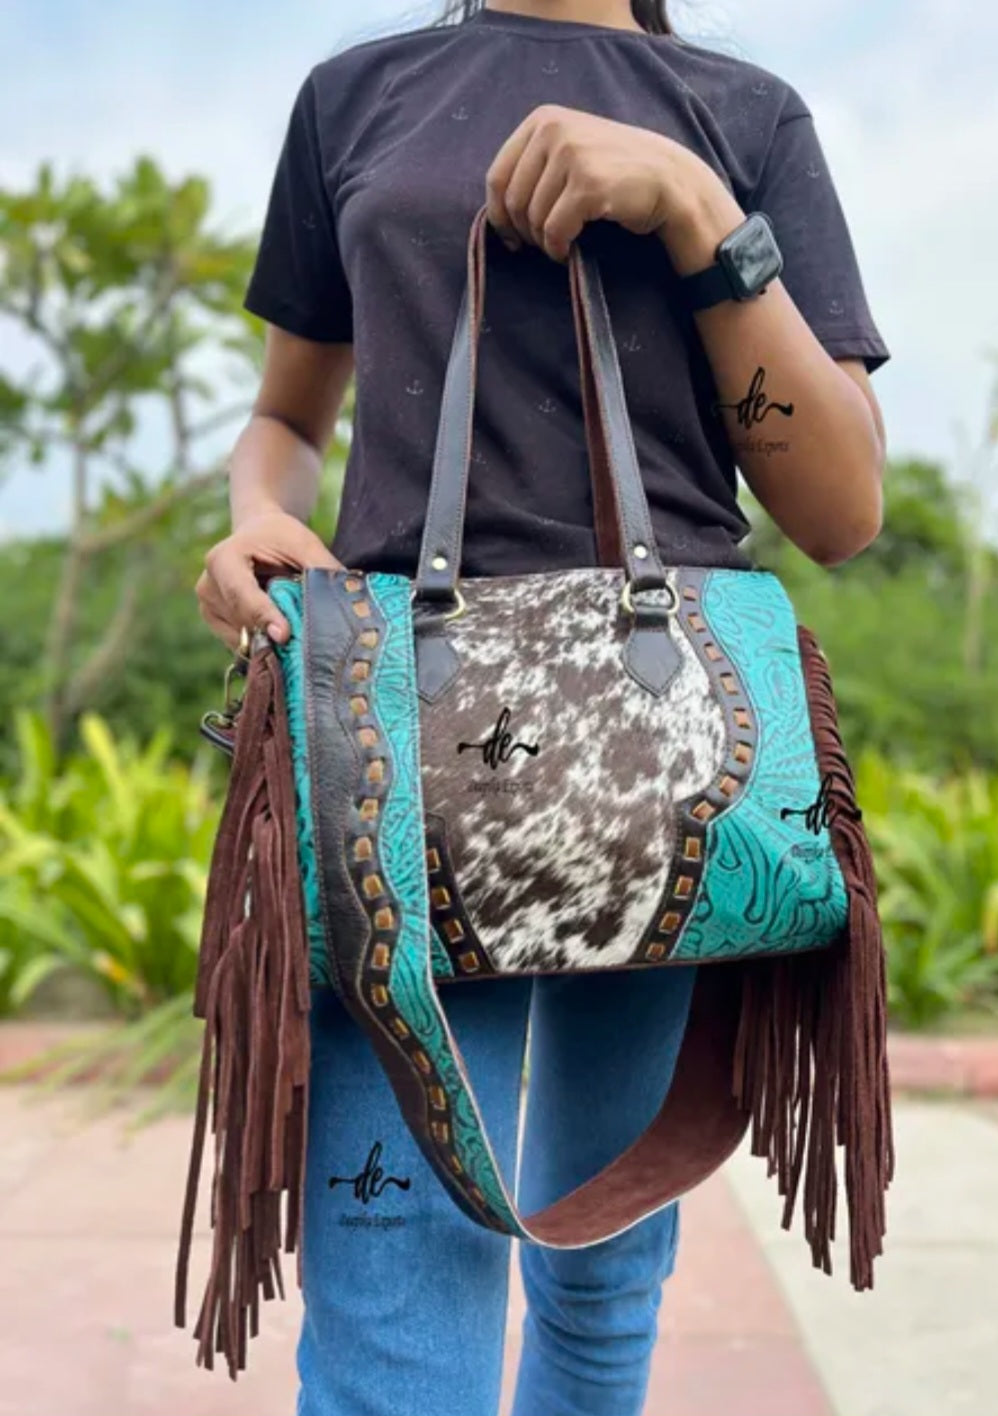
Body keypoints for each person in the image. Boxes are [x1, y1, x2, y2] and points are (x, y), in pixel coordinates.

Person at [194, 3, 891, 1413]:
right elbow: (290, 415)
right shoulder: (356, 97)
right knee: (392, 1297)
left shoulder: (740, 117)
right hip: (389, 747)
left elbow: (842, 505)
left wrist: (698, 207)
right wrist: (257, 512)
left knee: (602, 1278)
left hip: (670, 757)